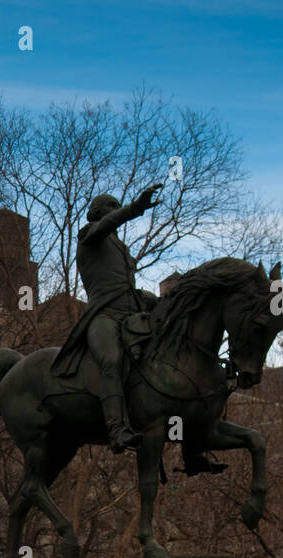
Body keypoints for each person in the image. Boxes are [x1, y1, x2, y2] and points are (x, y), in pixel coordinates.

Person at [51, 184, 165, 453]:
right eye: (110, 206)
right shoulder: (91, 235)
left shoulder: (121, 248)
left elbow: (128, 288)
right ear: (97, 212)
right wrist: (135, 208)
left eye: (117, 205)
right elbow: (107, 224)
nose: (115, 210)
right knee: (111, 361)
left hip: (131, 316)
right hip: (103, 317)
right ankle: (117, 430)